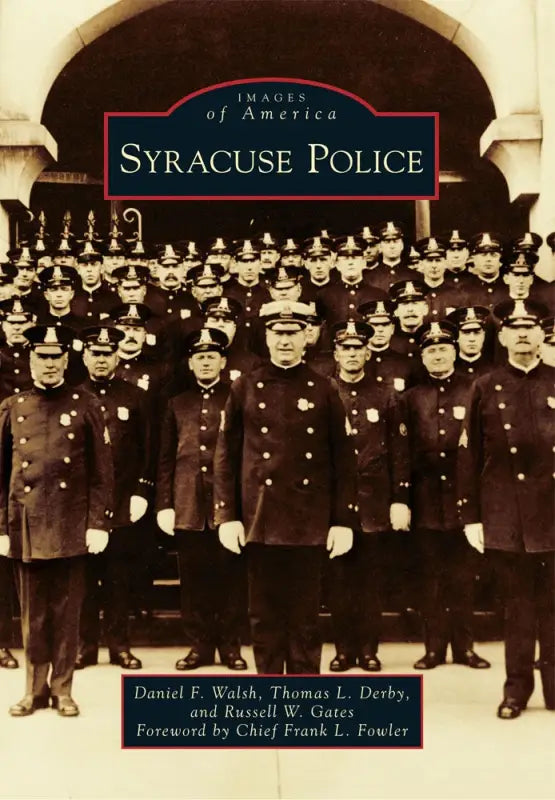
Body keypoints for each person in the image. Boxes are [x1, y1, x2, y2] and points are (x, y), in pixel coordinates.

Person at [213, 300, 358, 674]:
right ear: (266, 336)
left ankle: (304, 695)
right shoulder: (245, 386)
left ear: (307, 338)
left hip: (308, 520)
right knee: (263, 616)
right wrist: (227, 515)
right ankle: (269, 694)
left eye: (293, 333)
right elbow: (226, 456)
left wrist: (342, 520)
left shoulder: (324, 388)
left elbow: (343, 460)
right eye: (278, 333)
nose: (285, 341)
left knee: (306, 617)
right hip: (260, 519)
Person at [0, 324, 113, 717]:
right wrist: (1, 527)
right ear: (30, 359)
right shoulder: (12, 408)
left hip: (70, 524)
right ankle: (34, 690)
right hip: (27, 524)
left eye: (55, 357)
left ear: (67, 359)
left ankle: (62, 689)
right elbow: (1, 475)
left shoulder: (85, 406)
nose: (49, 364)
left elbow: (102, 473)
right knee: (34, 614)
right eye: (41, 357)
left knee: (67, 614)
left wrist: (98, 522)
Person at [458, 299, 554, 719]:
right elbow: (469, 456)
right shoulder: (486, 385)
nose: (521, 334)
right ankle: (515, 691)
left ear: (541, 335)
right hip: (507, 515)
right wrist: (472, 516)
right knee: (517, 609)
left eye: (529, 327)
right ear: (501, 336)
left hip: (553, 513)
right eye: (513, 328)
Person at [397, 320, 491, 671]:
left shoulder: (474, 390)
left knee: (464, 577)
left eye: (443, 349)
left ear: (454, 351)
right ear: (422, 356)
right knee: (430, 577)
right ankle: (434, 648)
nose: (437, 355)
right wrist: (403, 500)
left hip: (464, 500)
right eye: (430, 350)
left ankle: (465, 648)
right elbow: (401, 452)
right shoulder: (410, 398)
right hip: (424, 502)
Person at [157, 327, 247, 671]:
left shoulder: (237, 397)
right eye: (200, 357)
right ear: (190, 363)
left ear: (223, 361)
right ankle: (199, 647)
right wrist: (165, 503)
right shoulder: (177, 403)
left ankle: (231, 647)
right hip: (188, 506)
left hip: (228, 507)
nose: (206, 362)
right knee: (194, 582)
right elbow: (165, 459)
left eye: (212, 356)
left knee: (231, 579)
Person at [327, 319, 410, 672]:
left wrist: (399, 499)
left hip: (375, 503)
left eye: (358, 347)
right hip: (334, 505)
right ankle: (344, 650)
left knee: (370, 583)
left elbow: (399, 450)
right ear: (336, 353)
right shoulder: (325, 391)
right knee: (339, 583)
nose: (352, 354)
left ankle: (368, 650)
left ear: (367, 351)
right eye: (345, 347)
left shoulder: (385, 394)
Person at [76, 325, 151, 671]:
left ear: (117, 356)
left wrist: (142, 491)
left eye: (108, 354)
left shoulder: (135, 396)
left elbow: (148, 449)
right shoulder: (74, 396)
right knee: (85, 579)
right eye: (95, 353)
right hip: (84, 505)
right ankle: (85, 646)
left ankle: (120, 645)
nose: (101, 360)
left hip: (123, 502)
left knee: (120, 579)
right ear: (84, 355)